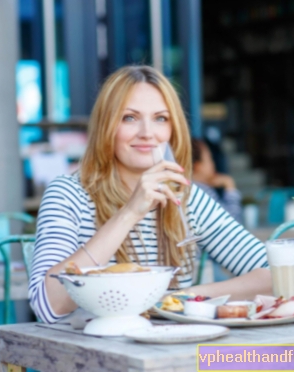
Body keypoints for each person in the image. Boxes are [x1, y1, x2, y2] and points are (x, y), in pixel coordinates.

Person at [29, 65, 271, 323]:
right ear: (106, 126)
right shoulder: (68, 194)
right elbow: (48, 306)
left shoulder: (185, 197)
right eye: (129, 117)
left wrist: (185, 297)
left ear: (172, 130)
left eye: (160, 118)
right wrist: (130, 213)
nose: (147, 133)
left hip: (167, 354)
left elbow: (275, 277)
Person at [191, 138, 242, 224]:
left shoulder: (189, 189)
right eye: (210, 159)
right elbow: (233, 224)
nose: (213, 164)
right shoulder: (202, 191)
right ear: (197, 165)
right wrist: (229, 185)